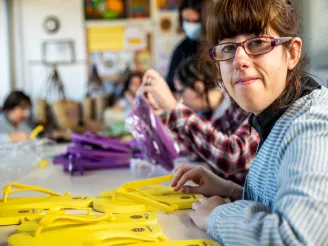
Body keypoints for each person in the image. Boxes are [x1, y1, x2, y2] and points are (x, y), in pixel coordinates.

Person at [166, 0, 328, 244]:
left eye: (257, 43)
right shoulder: (274, 115)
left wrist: (217, 215)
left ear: (292, 53)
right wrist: (229, 190)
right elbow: (279, 201)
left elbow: (294, 238)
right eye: (228, 49)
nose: (239, 60)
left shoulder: (313, 127)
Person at [142, 57, 260, 185]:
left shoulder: (246, 107)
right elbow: (197, 151)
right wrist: (165, 114)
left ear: (198, 87)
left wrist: (173, 107)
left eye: (182, 92)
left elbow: (231, 156)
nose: (181, 99)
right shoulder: (223, 111)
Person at [166, 0, 203, 92]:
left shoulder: (217, 45)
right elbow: (170, 85)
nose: (191, 25)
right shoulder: (180, 50)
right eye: (187, 20)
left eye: (196, 21)